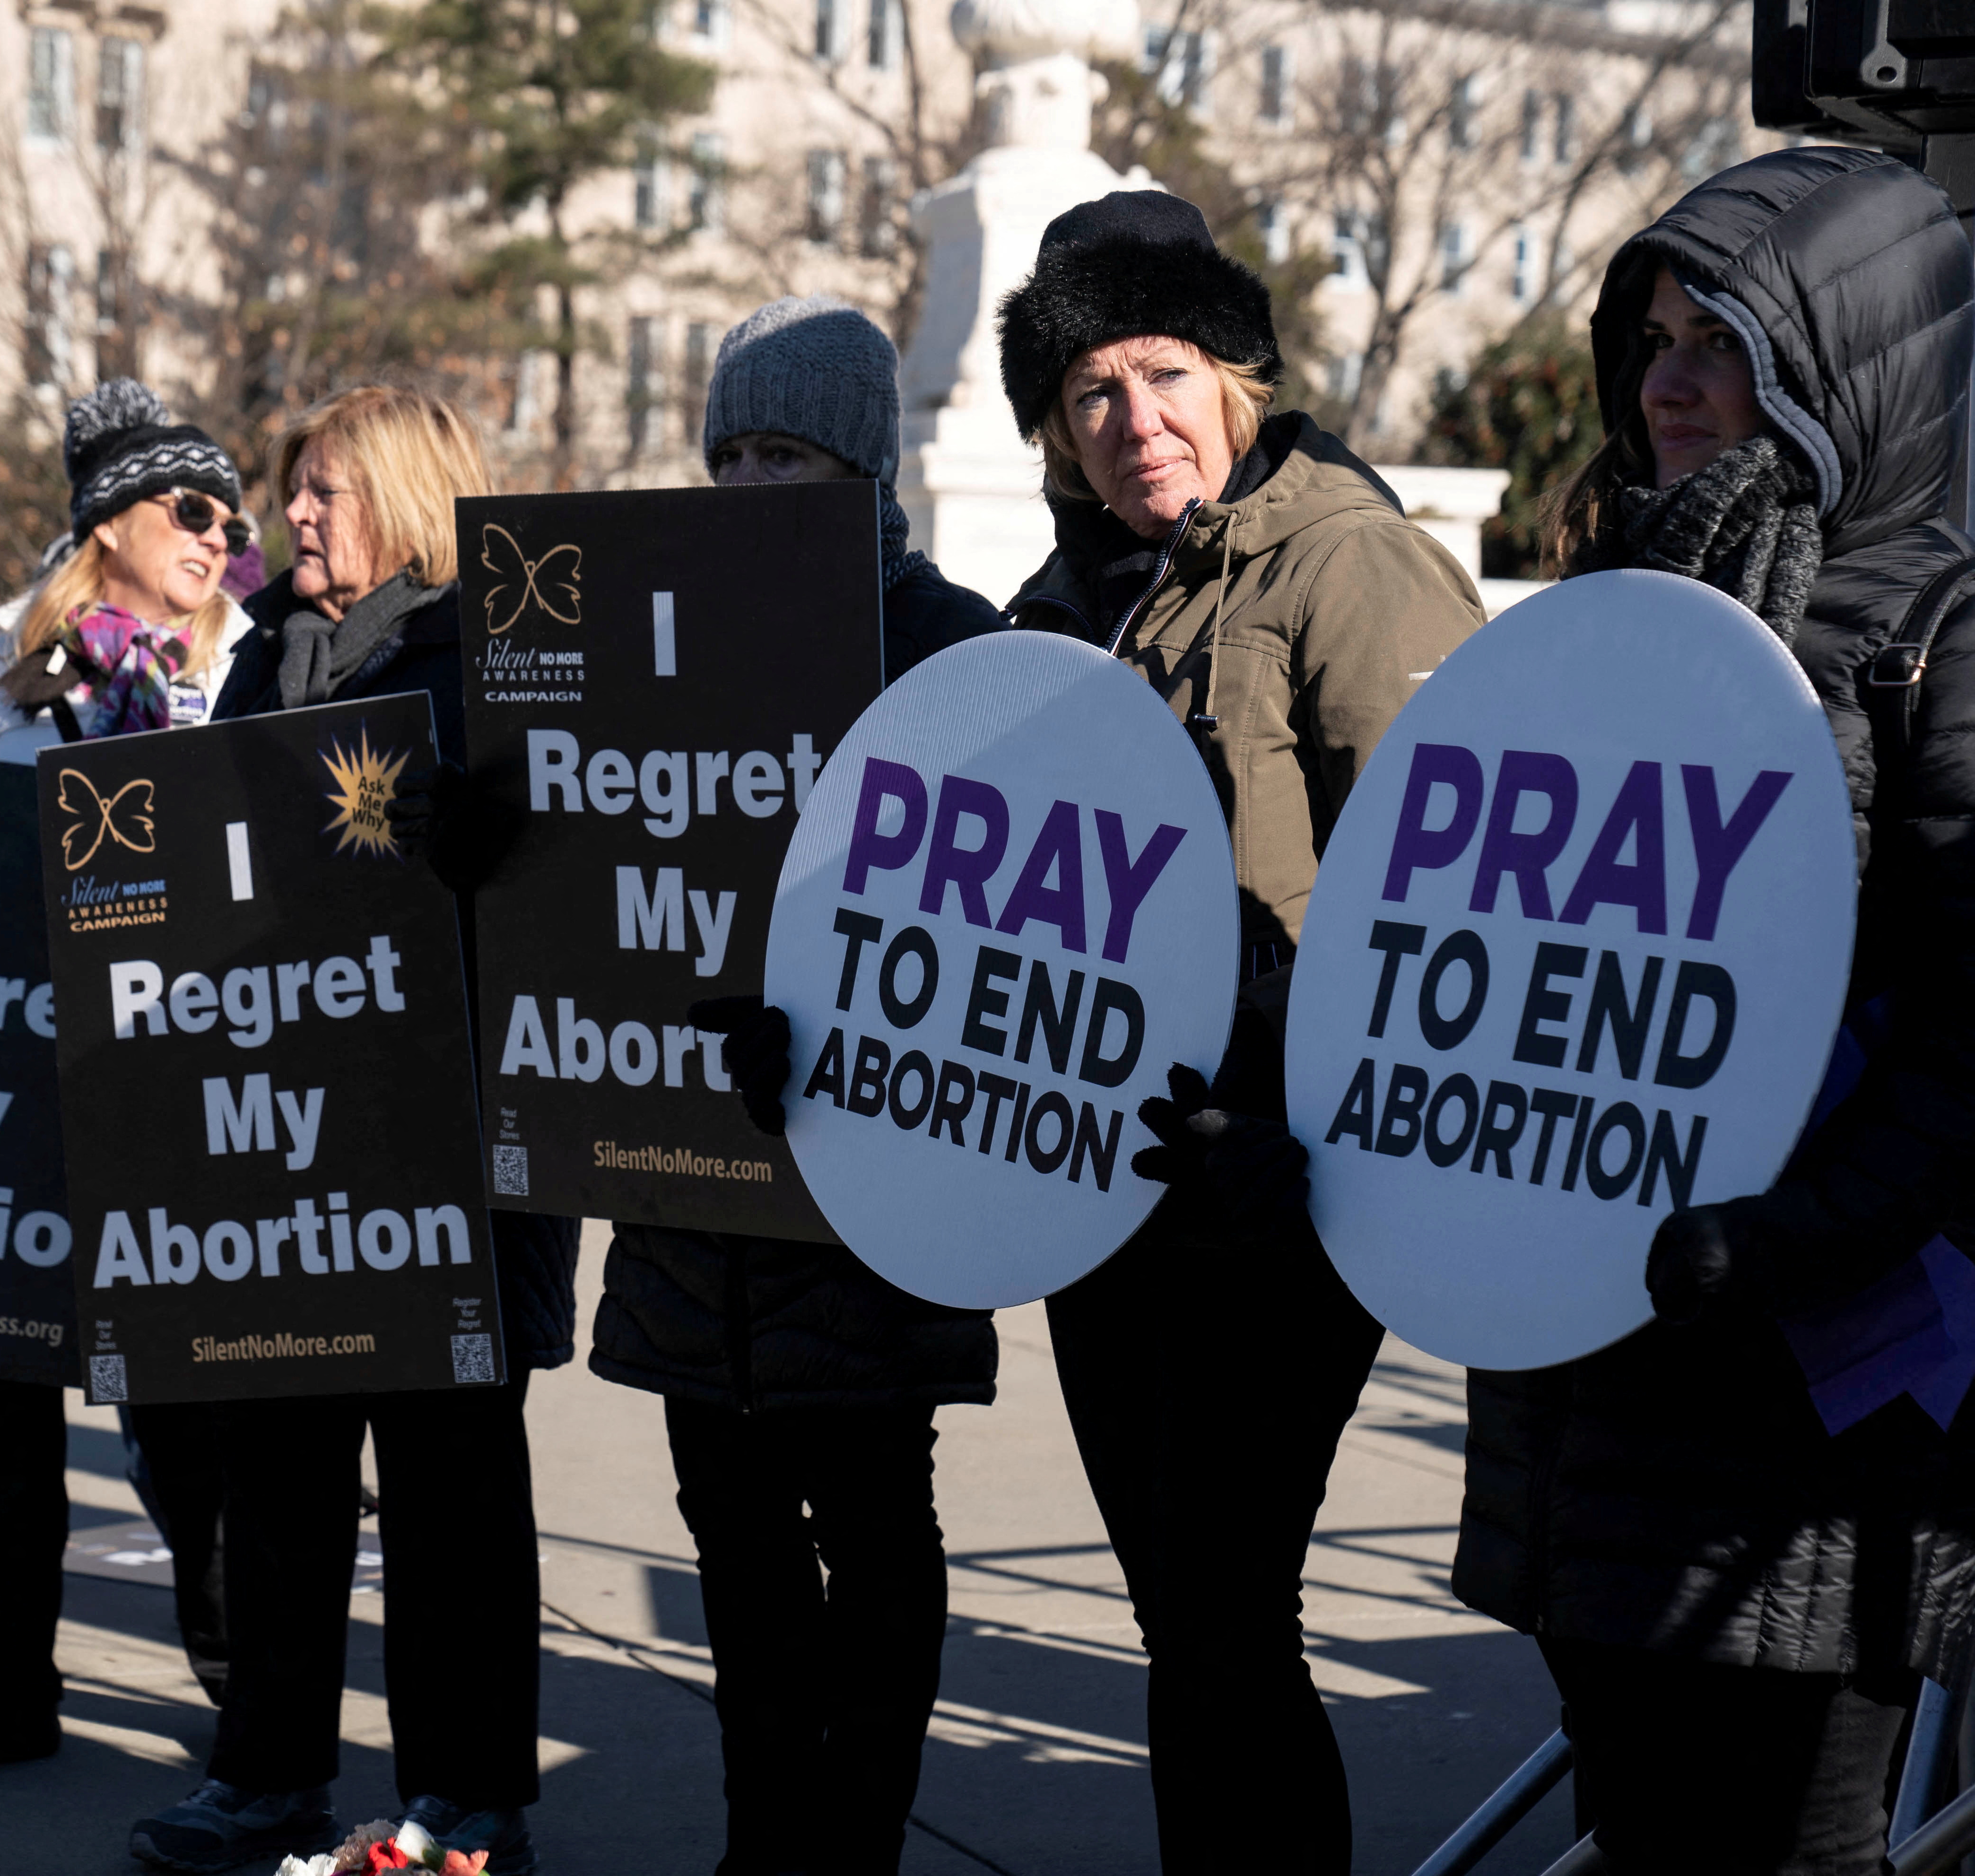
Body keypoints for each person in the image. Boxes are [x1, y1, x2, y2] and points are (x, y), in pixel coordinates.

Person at [1454, 146, 1975, 1875]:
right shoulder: (1607, 607)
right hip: (1593, 1383)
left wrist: (1789, 1241)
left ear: (1854, 365)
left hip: (1820, 1406)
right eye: (1657, 334)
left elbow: (1971, 1034)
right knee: (1641, 1833)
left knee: (1792, 1850)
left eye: (1729, 341)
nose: (1670, 379)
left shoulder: (1941, 635)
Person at [995, 194, 1483, 1873]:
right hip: (1108, 1202)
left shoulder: (1348, 562)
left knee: (1225, 1606)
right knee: (1183, 1616)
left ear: (1239, 374)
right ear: (1057, 435)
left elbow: (1454, 895)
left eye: (1165, 373)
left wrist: (1303, 1122)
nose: (1137, 424)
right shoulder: (1045, 617)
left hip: (1278, 1196)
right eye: (1090, 396)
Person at [123, 385, 581, 1876]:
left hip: (444, 1153)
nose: (294, 518)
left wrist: (480, 848)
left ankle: (469, 1797)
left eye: (323, 491)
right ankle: (266, 1776)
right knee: (283, 1477)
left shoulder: (492, 657)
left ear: (404, 498)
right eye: (293, 491)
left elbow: (573, 886)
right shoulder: (262, 667)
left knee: (453, 1497)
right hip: (287, 1152)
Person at [596, 295, 1008, 1876]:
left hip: (872, 1191)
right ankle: (762, 1842)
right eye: (736, 452)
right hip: (694, 1178)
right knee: (736, 1542)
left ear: (864, 467)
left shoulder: (951, 647)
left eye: (791, 452)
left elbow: (990, 941)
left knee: (873, 1527)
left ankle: (853, 1850)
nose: (757, 482)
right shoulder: (660, 628)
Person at [0, 379, 254, 1776]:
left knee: (196, 1415)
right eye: (194, 509)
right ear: (113, 525)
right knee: (2, 1408)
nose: (226, 535)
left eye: (237, 516)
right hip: (20, 1088)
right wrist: (10, 718)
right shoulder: (0, 665)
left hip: (183, 1093)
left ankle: (245, 1710)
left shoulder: (249, 663)